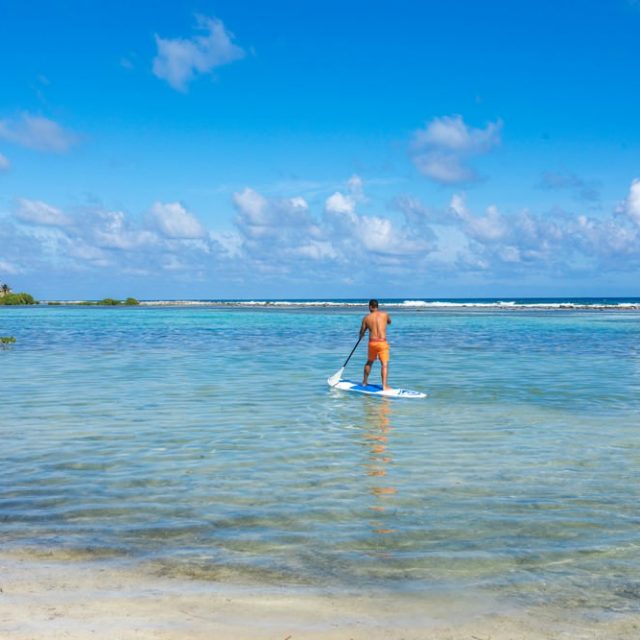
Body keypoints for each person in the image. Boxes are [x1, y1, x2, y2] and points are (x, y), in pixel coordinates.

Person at [360, 299, 391, 389]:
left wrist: (361, 335)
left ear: (370, 306)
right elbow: (389, 322)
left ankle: (365, 382)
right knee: (384, 364)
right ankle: (384, 386)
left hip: (372, 343)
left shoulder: (366, 318)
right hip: (382, 342)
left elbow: (362, 331)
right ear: (377, 306)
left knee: (369, 362)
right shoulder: (385, 315)